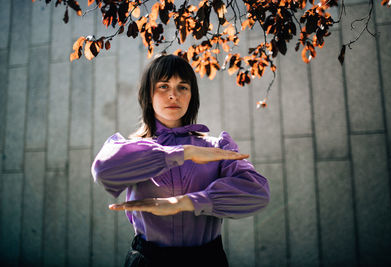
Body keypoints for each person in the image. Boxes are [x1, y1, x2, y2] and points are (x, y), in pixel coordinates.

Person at [91, 54, 270, 267]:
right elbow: (103, 171)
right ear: (148, 95)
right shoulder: (131, 150)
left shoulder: (217, 148)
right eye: (163, 86)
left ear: (191, 96)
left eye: (182, 87)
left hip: (206, 261)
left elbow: (257, 192)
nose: (173, 95)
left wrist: (185, 203)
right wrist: (182, 153)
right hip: (148, 261)